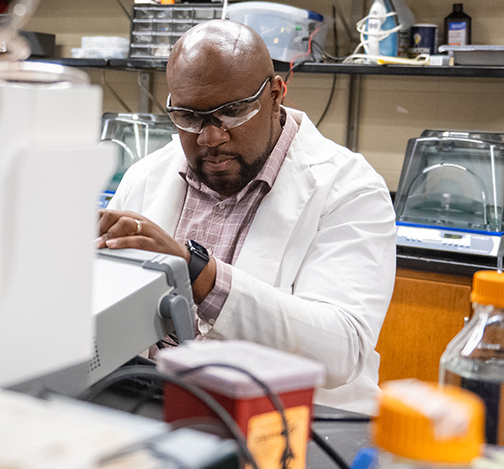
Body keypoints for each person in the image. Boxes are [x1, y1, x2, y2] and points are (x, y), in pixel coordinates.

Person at [98, 20, 395, 414]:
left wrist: (197, 273)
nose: (211, 137)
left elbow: (342, 349)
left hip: (295, 423)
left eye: (232, 112)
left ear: (276, 94)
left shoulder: (350, 190)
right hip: (155, 405)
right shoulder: (147, 176)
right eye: (189, 116)